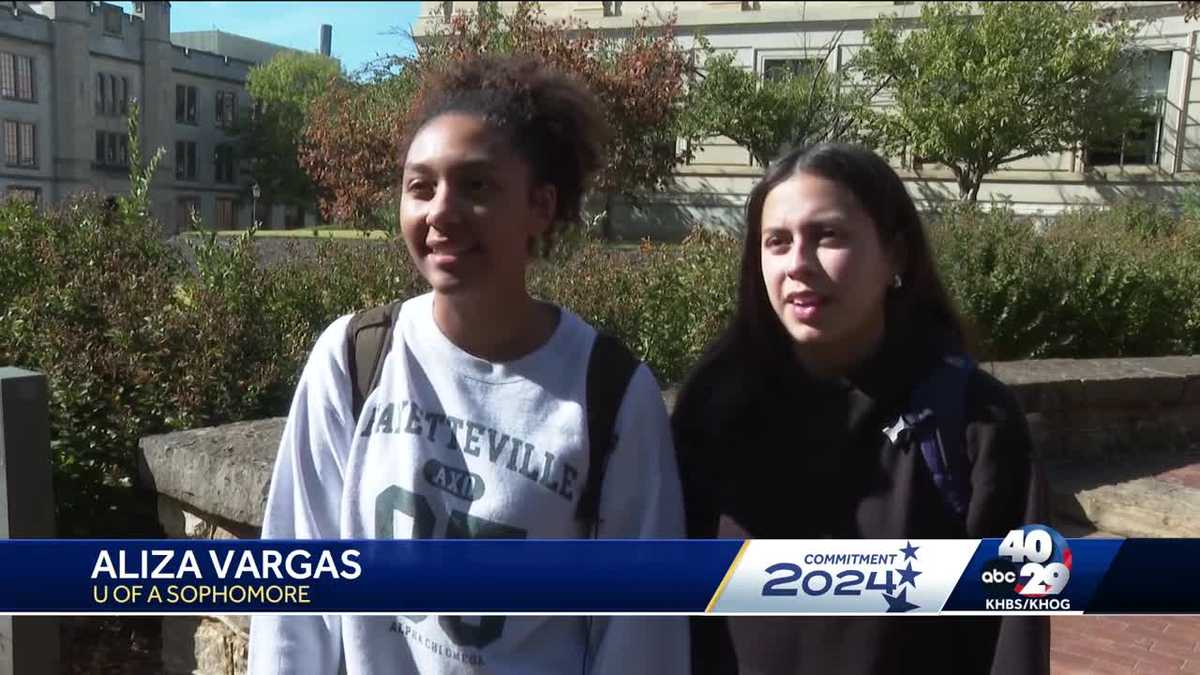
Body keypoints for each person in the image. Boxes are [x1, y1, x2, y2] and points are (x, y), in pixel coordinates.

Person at [249, 54, 689, 674]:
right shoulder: (353, 359)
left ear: (540, 206)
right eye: (420, 186)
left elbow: (640, 636)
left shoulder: (610, 393)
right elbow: (294, 596)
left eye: (476, 186)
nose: (440, 212)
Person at [673, 143, 1050, 675]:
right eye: (776, 242)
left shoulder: (975, 424)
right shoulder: (713, 409)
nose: (798, 264)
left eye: (828, 236)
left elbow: (1015, 635)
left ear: (894, 254)